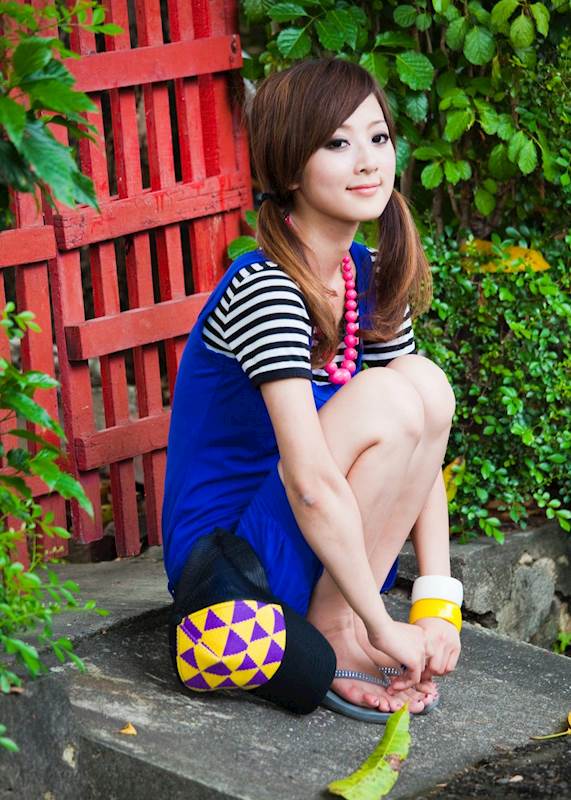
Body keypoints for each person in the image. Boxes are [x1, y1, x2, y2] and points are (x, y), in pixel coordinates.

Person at [162, 58, 462, 723]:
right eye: (337, 142)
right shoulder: (265, 287)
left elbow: (425, 441)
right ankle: (338, 627)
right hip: (235, 562)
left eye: (378, 138)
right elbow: (310, 483)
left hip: (315, 542)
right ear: (291, 167)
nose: (368, 161)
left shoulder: (364, 274)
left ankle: (342, 617)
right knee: (389, 397)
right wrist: (381, 624)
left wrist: (437, 603)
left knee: (424, 385)